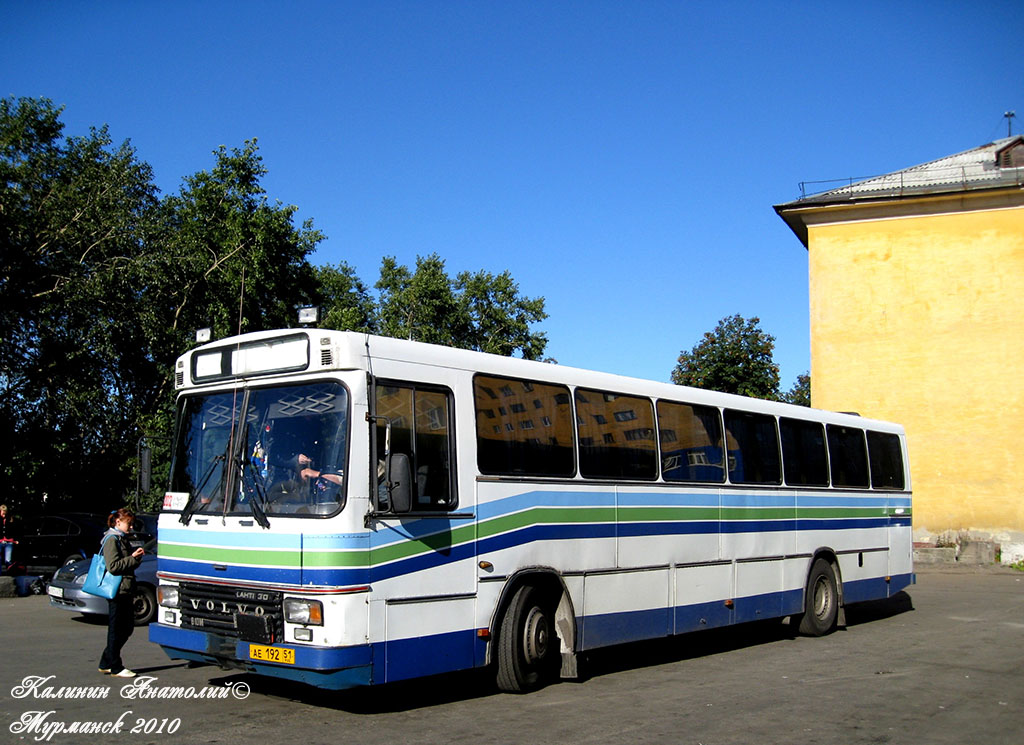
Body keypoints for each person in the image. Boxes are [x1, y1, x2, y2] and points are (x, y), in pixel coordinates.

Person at [98, 508, 144, 678]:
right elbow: (113, 566)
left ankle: (106, 662)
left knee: (126, 628)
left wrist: (136, 559)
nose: (131, 527)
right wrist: (132, 558)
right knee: (118, 629)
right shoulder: (112, 539)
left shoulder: (122, 538)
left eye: (131, 524)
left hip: (125, 588)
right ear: (118, 522)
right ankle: (115, 666)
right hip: (117, 590)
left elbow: (127, 563)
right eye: (128, 523)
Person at [0, 504, 16, 572]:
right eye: (2, 511)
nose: (4, 513)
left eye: (5, 511)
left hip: (9, 541)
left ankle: (9, 574)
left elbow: (13, 530)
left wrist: (15, 540)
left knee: (8, 560)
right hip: (0, 540)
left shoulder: (10, 519)